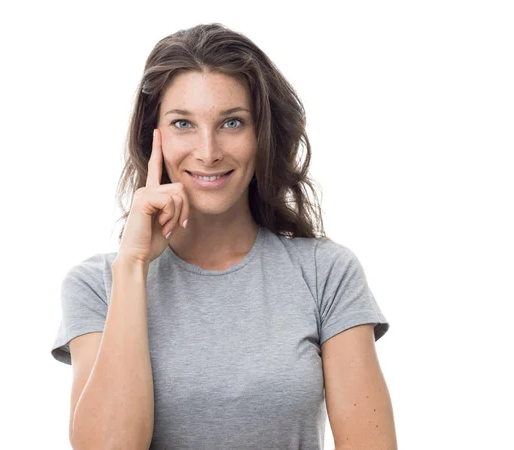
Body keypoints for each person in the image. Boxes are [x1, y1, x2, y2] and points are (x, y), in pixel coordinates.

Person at [51, 23, 397, 450]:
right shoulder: (98, 285)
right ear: (152, 137)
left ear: (261, 135)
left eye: (232, 122)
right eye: (183, 124)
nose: (209, 150)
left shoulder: (326, 273)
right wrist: (132, 265)